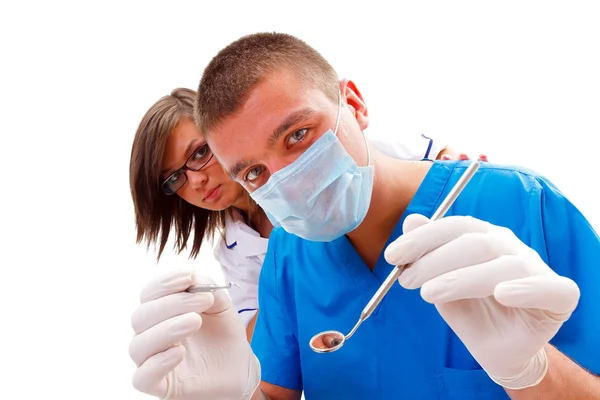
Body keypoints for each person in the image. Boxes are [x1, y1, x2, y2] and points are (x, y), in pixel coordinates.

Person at [128, 33, 600, 399]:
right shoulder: (285, 260)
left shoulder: (522, 205)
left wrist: (533, 370)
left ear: (352, 103)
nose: (288, 180)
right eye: (254, 171)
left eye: (297, 135)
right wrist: (232, 391)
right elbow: (275, 392)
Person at [128, 88, 484, 342]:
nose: (196, 179)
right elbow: (267, 350)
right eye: (175, 178)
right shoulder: (235, 252)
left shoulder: (324, 160)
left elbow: (427, 165)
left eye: (200, 152)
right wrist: (220, 338)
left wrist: (447, 161)